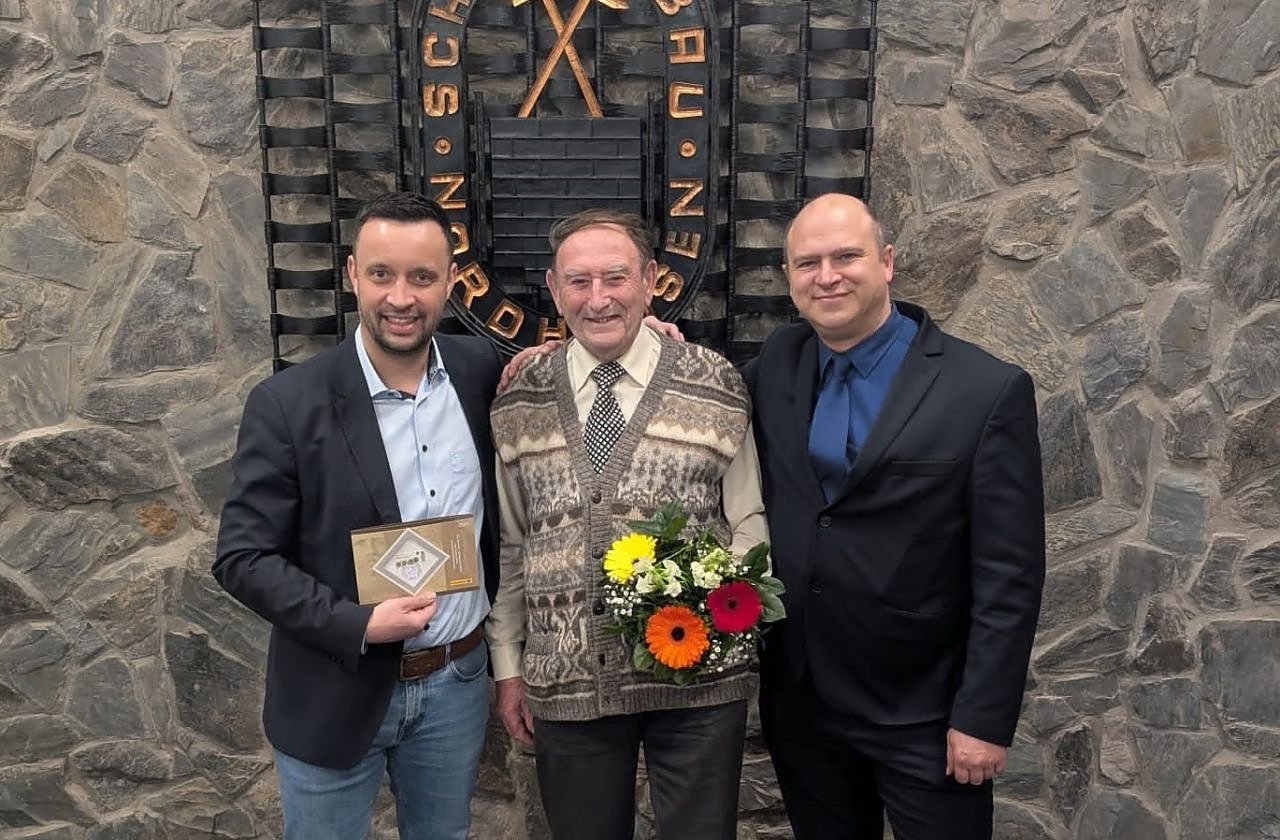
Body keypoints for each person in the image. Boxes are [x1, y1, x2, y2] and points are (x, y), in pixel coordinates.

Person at [746, 193, 1045, 839]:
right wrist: (649, 342)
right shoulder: (776, 365)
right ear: (789, 278)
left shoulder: (984, 390)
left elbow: (1010, 575)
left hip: (925, 713)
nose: (827, 276)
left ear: (886, 263)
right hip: (803, 702)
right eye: (808, 263)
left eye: (846, 257)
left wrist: (983, 718)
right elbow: (696, 391)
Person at [213, 192, 503, 840]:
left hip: (456, 680)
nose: (401, 297)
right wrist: (358, 624)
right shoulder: (287, 404)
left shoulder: (480, 370)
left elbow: (569, 370)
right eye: (381, 274)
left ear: (451, 281)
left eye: (422, 276)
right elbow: (242, 558)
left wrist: (653, 333)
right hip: (334, 685)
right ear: (352, 274)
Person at [485, 208, 769, 840]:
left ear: (649, 281)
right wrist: (508, 665)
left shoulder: (714, 381)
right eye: (578, 281)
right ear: (554, 290)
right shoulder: (520, 396)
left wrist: (722, 618)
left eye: (615, 277)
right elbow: (511, 542)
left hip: (698, 681)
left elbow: (748, 518)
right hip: (568, 680)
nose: (598, 299)